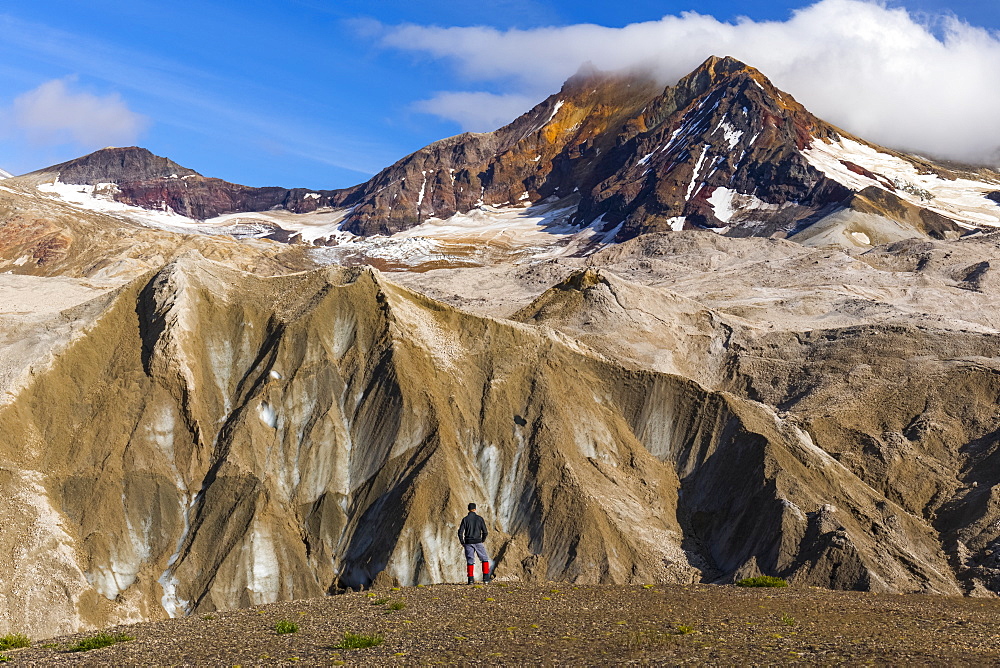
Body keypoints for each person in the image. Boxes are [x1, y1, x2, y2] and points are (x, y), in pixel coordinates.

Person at [458, 502, 491, 584]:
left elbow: (460, 532)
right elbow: (485, 532)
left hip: (468, 542)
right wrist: (482, 540)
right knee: (484, 559)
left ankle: (470, 580)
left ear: (468, 509)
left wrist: (462, 542)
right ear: (475, 509)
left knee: (470, 560)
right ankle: (486, 579)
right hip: (478, 541)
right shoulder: (480, 519)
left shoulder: (465, 519)